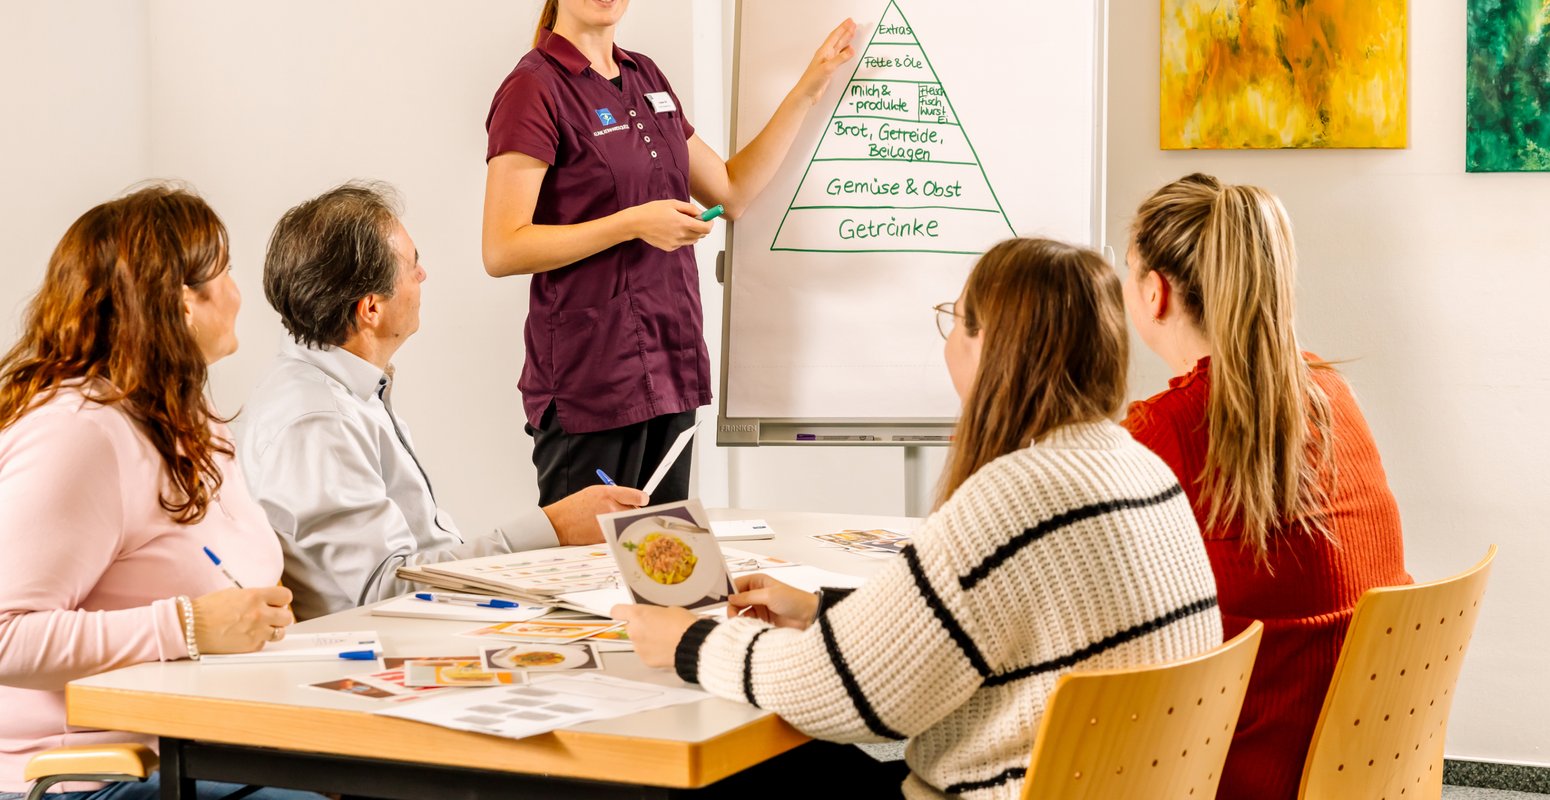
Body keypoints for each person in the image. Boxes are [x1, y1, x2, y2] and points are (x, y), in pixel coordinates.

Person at [614, 238, 1223, 798]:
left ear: (993, 345)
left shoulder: (1016, 495)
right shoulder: (1137, 467)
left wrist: (690, 643)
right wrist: (823, 610)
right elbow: (987, 621)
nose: (947, 341)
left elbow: (849, 695)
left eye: (955, 321)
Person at [0, 186, 319, 800]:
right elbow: (7, 633)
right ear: (182, 303)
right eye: (224, 272)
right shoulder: (79, 433)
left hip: (204, 748)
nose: (238, 293)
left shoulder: (191, 423)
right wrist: (188, 626)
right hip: (95, 773)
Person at [481, 0, 857, 505]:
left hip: (669, 367)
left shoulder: (645, 76)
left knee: (664, 575)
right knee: (588, 577)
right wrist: (633, 223)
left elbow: (731, 192)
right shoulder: (534, 87)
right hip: (593, 383)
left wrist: (808, 89)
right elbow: (502, 247)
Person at [1119, 173, 1410, 800]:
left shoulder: (1163, 428)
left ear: (1154, 293)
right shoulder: (1331, 392)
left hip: (1238, 766)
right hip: (1360, 760)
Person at [238, 183, 647, 621]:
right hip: (389, 642)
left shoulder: (344, 389)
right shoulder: (317, 421)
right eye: (412, 264)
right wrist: (553, 528)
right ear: (371, 309)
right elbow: (383, 593)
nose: (423, 276)